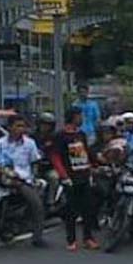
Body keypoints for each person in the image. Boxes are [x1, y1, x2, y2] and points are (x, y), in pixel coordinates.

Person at [0, 115, 46, 247]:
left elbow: (34, 162)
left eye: (23, 126)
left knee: (37, 204)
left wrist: (33, 178)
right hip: (2, 177)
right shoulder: (0, 143)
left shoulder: (29, 143)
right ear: (10, 127)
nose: (21, 129)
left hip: (22, 180)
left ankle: (37, 237)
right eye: (18, 126)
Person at [53, 107, 99, 251]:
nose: (81, 119)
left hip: (84, 175)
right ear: (72, 117)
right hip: (70, 177)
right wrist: (64, 176)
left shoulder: (81, 135)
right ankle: (71, 240)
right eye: (79, 116)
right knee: (71, 210)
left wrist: (91, 169)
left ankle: (88, 238)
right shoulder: (61, 136)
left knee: (88, 209)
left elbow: (85, 153)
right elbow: (56, 157)